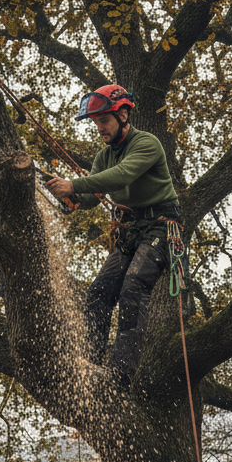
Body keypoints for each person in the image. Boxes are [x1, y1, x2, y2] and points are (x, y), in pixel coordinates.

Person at [45, 84, 180, 384]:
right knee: (99, 292)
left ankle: (120, 374)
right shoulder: (104, 156)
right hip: (130, 230)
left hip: (160, 226)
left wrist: (75, 185)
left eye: (103, 121)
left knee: (133, 286)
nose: (99, 129)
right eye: (95, 123)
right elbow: (95, 192)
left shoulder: (147, 144)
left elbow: (123, 175)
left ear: (122, 114)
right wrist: (72, 197)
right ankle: (88, 363)